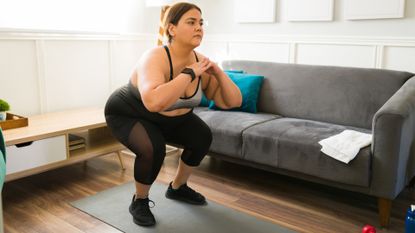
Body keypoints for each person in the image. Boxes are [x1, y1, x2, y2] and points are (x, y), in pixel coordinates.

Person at [104, 2, 242, 227]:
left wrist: (218, 72)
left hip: (174, 117)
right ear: (172, 29)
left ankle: (178, 187)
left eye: (200, 23)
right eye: (191, 22)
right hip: (130, 112)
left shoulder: (201, 62)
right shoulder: (155, 57)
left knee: (202, 137)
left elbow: (232, 101)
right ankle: (139, 201)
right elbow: (154, 102)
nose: (199, 27)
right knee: (153, 148)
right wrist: (188, 73)